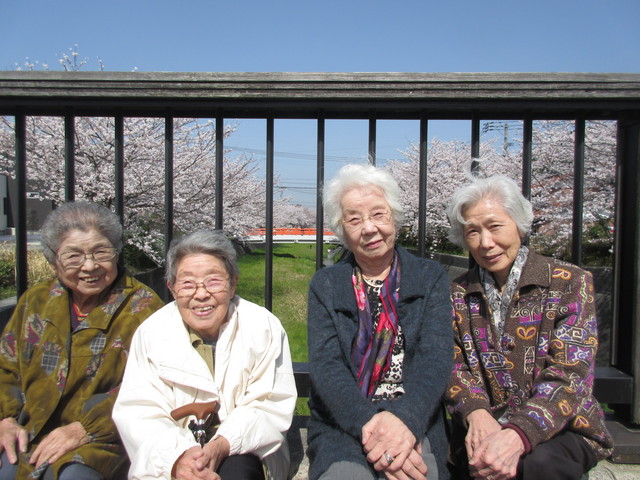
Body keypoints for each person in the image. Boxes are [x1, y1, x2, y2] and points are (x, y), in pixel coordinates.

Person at [444, 174, 613, 480]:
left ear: (520, 225)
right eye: (472, 231)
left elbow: (570, 373)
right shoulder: (455, 292)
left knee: (539, 464)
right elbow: (449, 362)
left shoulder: (568, 282)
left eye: (495, 227)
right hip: (484, 423)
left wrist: (519, 433)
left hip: (560, 427)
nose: (485, 243)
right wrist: (476, 412)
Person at [307, 163, 453, 480]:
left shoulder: (429, 278)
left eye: (378, 214)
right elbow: (326, 365)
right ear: (342, 229)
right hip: (344, 423)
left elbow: (436, 358)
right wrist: (370, 426)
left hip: (414, 418)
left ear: (394, 217)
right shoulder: (326, 285)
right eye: (354, 219)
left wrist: (405, 422)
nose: (369, 228)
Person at [112, 230, 297, 480]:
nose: (201, 294)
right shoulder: (151, 333)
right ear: (172, 288)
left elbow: (269, 404)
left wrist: (222, 444)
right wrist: (177, 458)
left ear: (232, 284)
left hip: (245, 450)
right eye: (187, 283)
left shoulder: (262, 326)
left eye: (214, 281)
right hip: (170, 454)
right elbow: (139, 411)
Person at [0, 201, 163, 480]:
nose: (90, 266)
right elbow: (6, 367)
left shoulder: (144, 307)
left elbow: (153, 385)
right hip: (31, 427)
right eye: (73, 256)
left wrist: (85, 428)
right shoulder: (37, 301)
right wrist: (6, 418)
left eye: (101, 252)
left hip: (105, 438)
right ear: (54, 261)